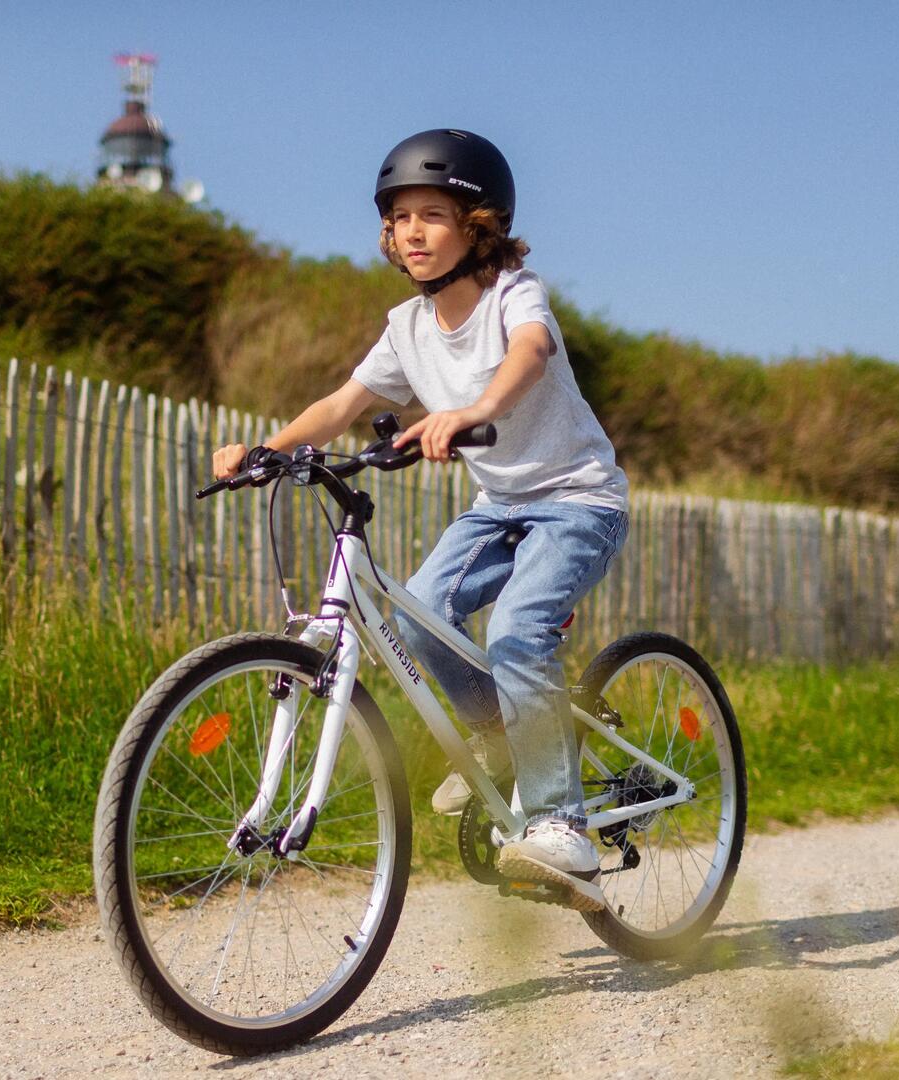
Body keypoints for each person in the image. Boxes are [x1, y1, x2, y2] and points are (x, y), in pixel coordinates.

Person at [210, 129, 629, 910]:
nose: (412, 232)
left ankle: (561, 823)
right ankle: (510, 733)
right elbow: (343, 404)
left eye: (432, 215)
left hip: (578, 501)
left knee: (516, 632)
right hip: (499, 508)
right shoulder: (407, 327)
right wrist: (268, 449)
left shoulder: (514, 294)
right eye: (399, 218)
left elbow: (530, 354)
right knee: (423, 614)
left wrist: (476, 410)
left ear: (479, 228)